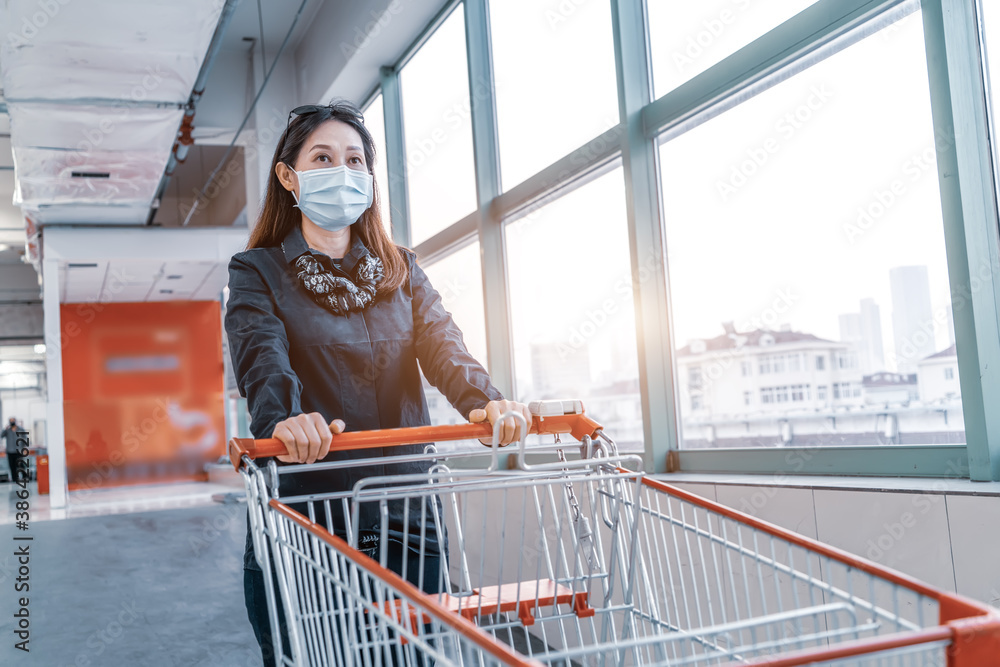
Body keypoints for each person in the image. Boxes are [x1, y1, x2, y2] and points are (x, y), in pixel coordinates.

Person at [224, 99, 531, 666]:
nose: (342, 171)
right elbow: (262, 356)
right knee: (311, 653)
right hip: (310, 512)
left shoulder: (402, 269)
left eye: (355, 160)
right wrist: (284, 419)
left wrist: (485, 403)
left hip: (406, 507)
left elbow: (444, 347)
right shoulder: (257, 272)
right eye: (323, 158)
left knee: (410, 654)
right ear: (288, 177)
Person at [2, 417, 23, 482]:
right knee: (12, 466)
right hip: (10, 451)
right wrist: (5, 429)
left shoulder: (20, 429)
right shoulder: (7, 430)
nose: (12, 422)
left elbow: (25, 439)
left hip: (18, 450)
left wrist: (24, 448)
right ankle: (15, 479)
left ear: (15, 421)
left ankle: (25, 477)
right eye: (10, 421)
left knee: (20, 465)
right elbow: (1, 436)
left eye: (13, 421)